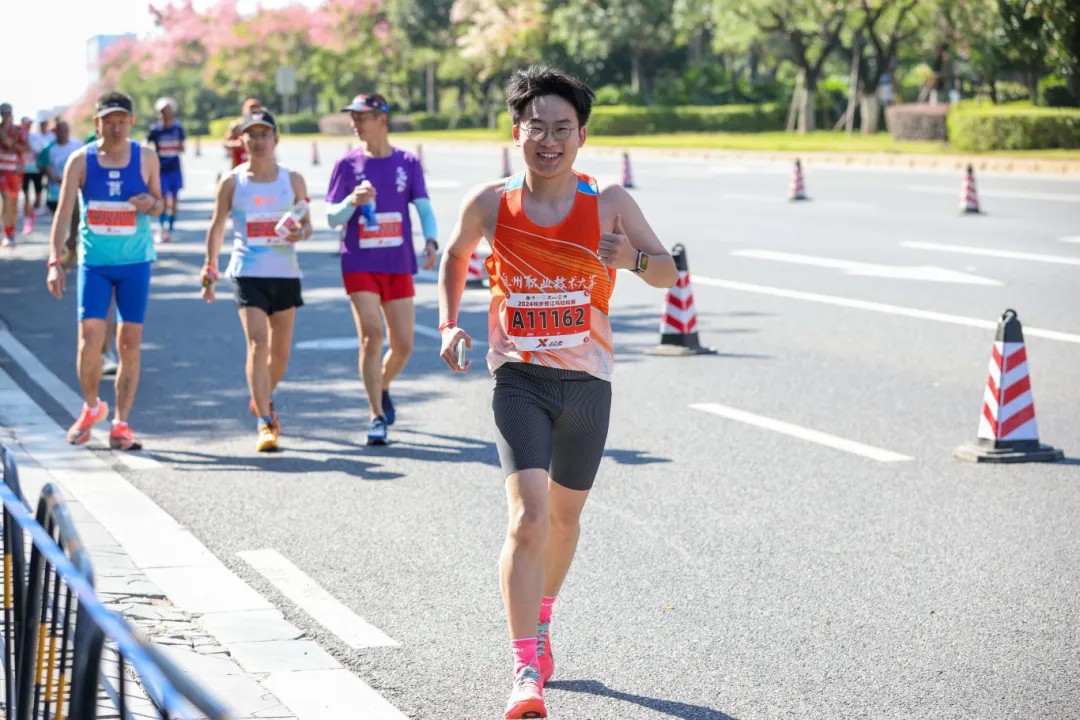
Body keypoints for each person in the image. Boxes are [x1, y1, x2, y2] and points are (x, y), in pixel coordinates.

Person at [436, 65, 678, 719]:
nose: (549, 140)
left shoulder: (609, 202)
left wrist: (630, 260)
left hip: (588, 382)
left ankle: (541, 621)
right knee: (528, 518)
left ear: (582, 136)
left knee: (565, 521)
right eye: (536, 127)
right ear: (516, 131)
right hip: (518, 377)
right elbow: (455, 255)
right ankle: (523, 669)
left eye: (562, 128)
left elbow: (668, 273)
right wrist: (448, 323)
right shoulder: (490, 203)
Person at [45, 91, 163, 450]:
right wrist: (54, 261)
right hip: (94, 264)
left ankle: (121, 423)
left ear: (131, 122)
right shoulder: (80, 161)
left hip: (135, 264)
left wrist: (150, 205)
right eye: (108, 121)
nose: (115, 127)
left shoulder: (146, 157)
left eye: (122, 121)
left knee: (129, 343)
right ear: (97, 123)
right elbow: (63, 212)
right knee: (89, 341)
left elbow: (160, 203)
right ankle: (91, 406)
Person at [325, 92, 438, 445]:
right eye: (353, 117)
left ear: (382, 120)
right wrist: (351, 201)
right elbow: (331, 218)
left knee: (403, 344)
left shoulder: (408, 162)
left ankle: (382, 384)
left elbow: (424, 207)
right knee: (372, 335)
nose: (355, 123)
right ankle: (375, 416)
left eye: (362, 117)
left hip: (397, 261)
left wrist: (431, 241)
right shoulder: (346, 165)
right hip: (359, 262)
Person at [201, 109, 311, 453]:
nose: (259, 141)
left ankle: (261, 394)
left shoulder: (293, 179)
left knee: (281, 354)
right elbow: (217, 226)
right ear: (242, 140)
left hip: (285, 273)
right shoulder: (232, 182)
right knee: (258, 343)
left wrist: (300, 233)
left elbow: (307, 223)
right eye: (252, 135)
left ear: (276, 139)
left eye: (265, 134)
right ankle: (265, 421)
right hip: (247, 271)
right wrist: (209, 269)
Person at [146, 97, 186, 243]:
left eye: (168, 110)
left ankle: (170, 228)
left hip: (174, 168)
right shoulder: (155, 129)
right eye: (163, 111)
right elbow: (148, 144)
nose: (166, 113)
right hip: (160, 169)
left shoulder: (178, 128)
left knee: (174, 201)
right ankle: (162, 228)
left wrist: (176, 146)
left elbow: (182, 146)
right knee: (161, 199)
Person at [0, 103, 29, 247]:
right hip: (1, 171)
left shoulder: (18, 131)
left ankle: (11, 232)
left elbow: (26, 147)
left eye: (8, 112)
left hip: (15, 171)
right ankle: (6, 233)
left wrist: (12, 144)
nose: (6, 115)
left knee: (13, 202)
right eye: (3, 113)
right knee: (5, 198)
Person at [21, 117, 51, 234]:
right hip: (24, 170)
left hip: (37, 170)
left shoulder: (36, 137)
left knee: (38, 200)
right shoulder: (20, 136)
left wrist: (27, 140)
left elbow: (39, 150)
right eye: (26, 124)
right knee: (26, 196)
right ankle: (27, 222)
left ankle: (31, 213)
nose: (28, 126)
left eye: (29, 124)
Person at [224, 98, 262, 169]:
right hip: (238, 165)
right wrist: (237, 144)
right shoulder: (236, 126)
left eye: (256, 109)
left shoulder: (263, 127)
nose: (254, 112)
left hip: (257, 167)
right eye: (251, 109)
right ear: (244, 110)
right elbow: (225, 143)